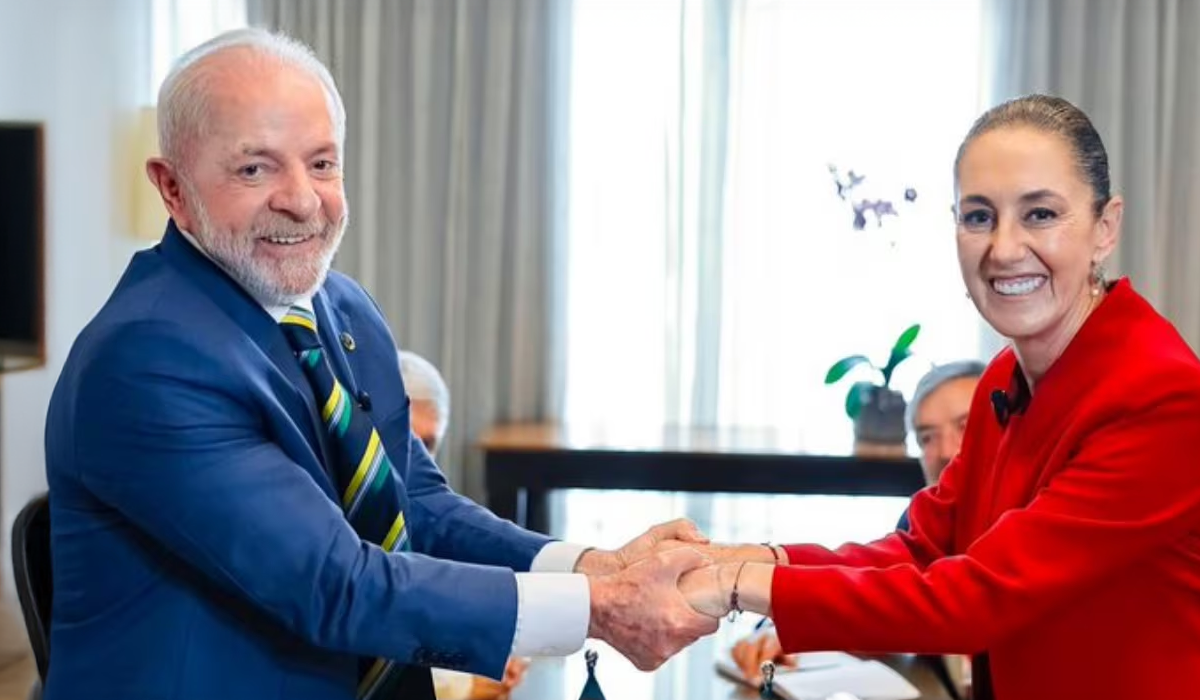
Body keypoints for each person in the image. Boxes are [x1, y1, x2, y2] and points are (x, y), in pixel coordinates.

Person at [42, 28, 717, 700]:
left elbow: (414, 504)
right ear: (172, 188)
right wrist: (599, 607)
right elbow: (335, 584)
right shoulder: (147, 355)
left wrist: (595, 568)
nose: (302, 200)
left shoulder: (341, 307)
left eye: (321, 163)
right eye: (255, 169)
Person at [675, 94, 1200, 700]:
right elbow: (920, 551)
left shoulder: (1162, 395)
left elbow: (974, 598)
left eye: (1040, 214)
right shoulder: (1002, 379)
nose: (1004, 248)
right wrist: (746, 558)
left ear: (1105, 228)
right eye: (979, 216)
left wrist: (735, 585)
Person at [730, 360, 985, 683]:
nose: (946, 451)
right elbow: (877, 600)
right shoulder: (921, 525)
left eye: (965, 426)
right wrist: (779, 629)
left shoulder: (1033, 523)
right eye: (927, 438)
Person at [397, 349, 529, 700]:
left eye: (428, 445)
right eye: (406, 442)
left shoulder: (440, 520)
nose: (417, 459)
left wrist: (492, 648)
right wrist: (459, 685)